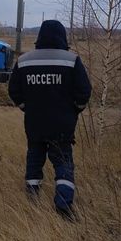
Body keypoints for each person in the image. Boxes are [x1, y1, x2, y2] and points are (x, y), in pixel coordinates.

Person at [8, 20, 91, 218]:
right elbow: (84, 92)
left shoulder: (24, 60)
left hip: (35, 123)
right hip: (62, 125)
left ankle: (32, 201)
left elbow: (13, 90)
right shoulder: (72, 60)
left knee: (34, 161)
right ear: (62, 37)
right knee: (63, 163)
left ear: (39, 38)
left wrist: (26, 107)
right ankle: (63, 207)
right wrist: (74, 111)